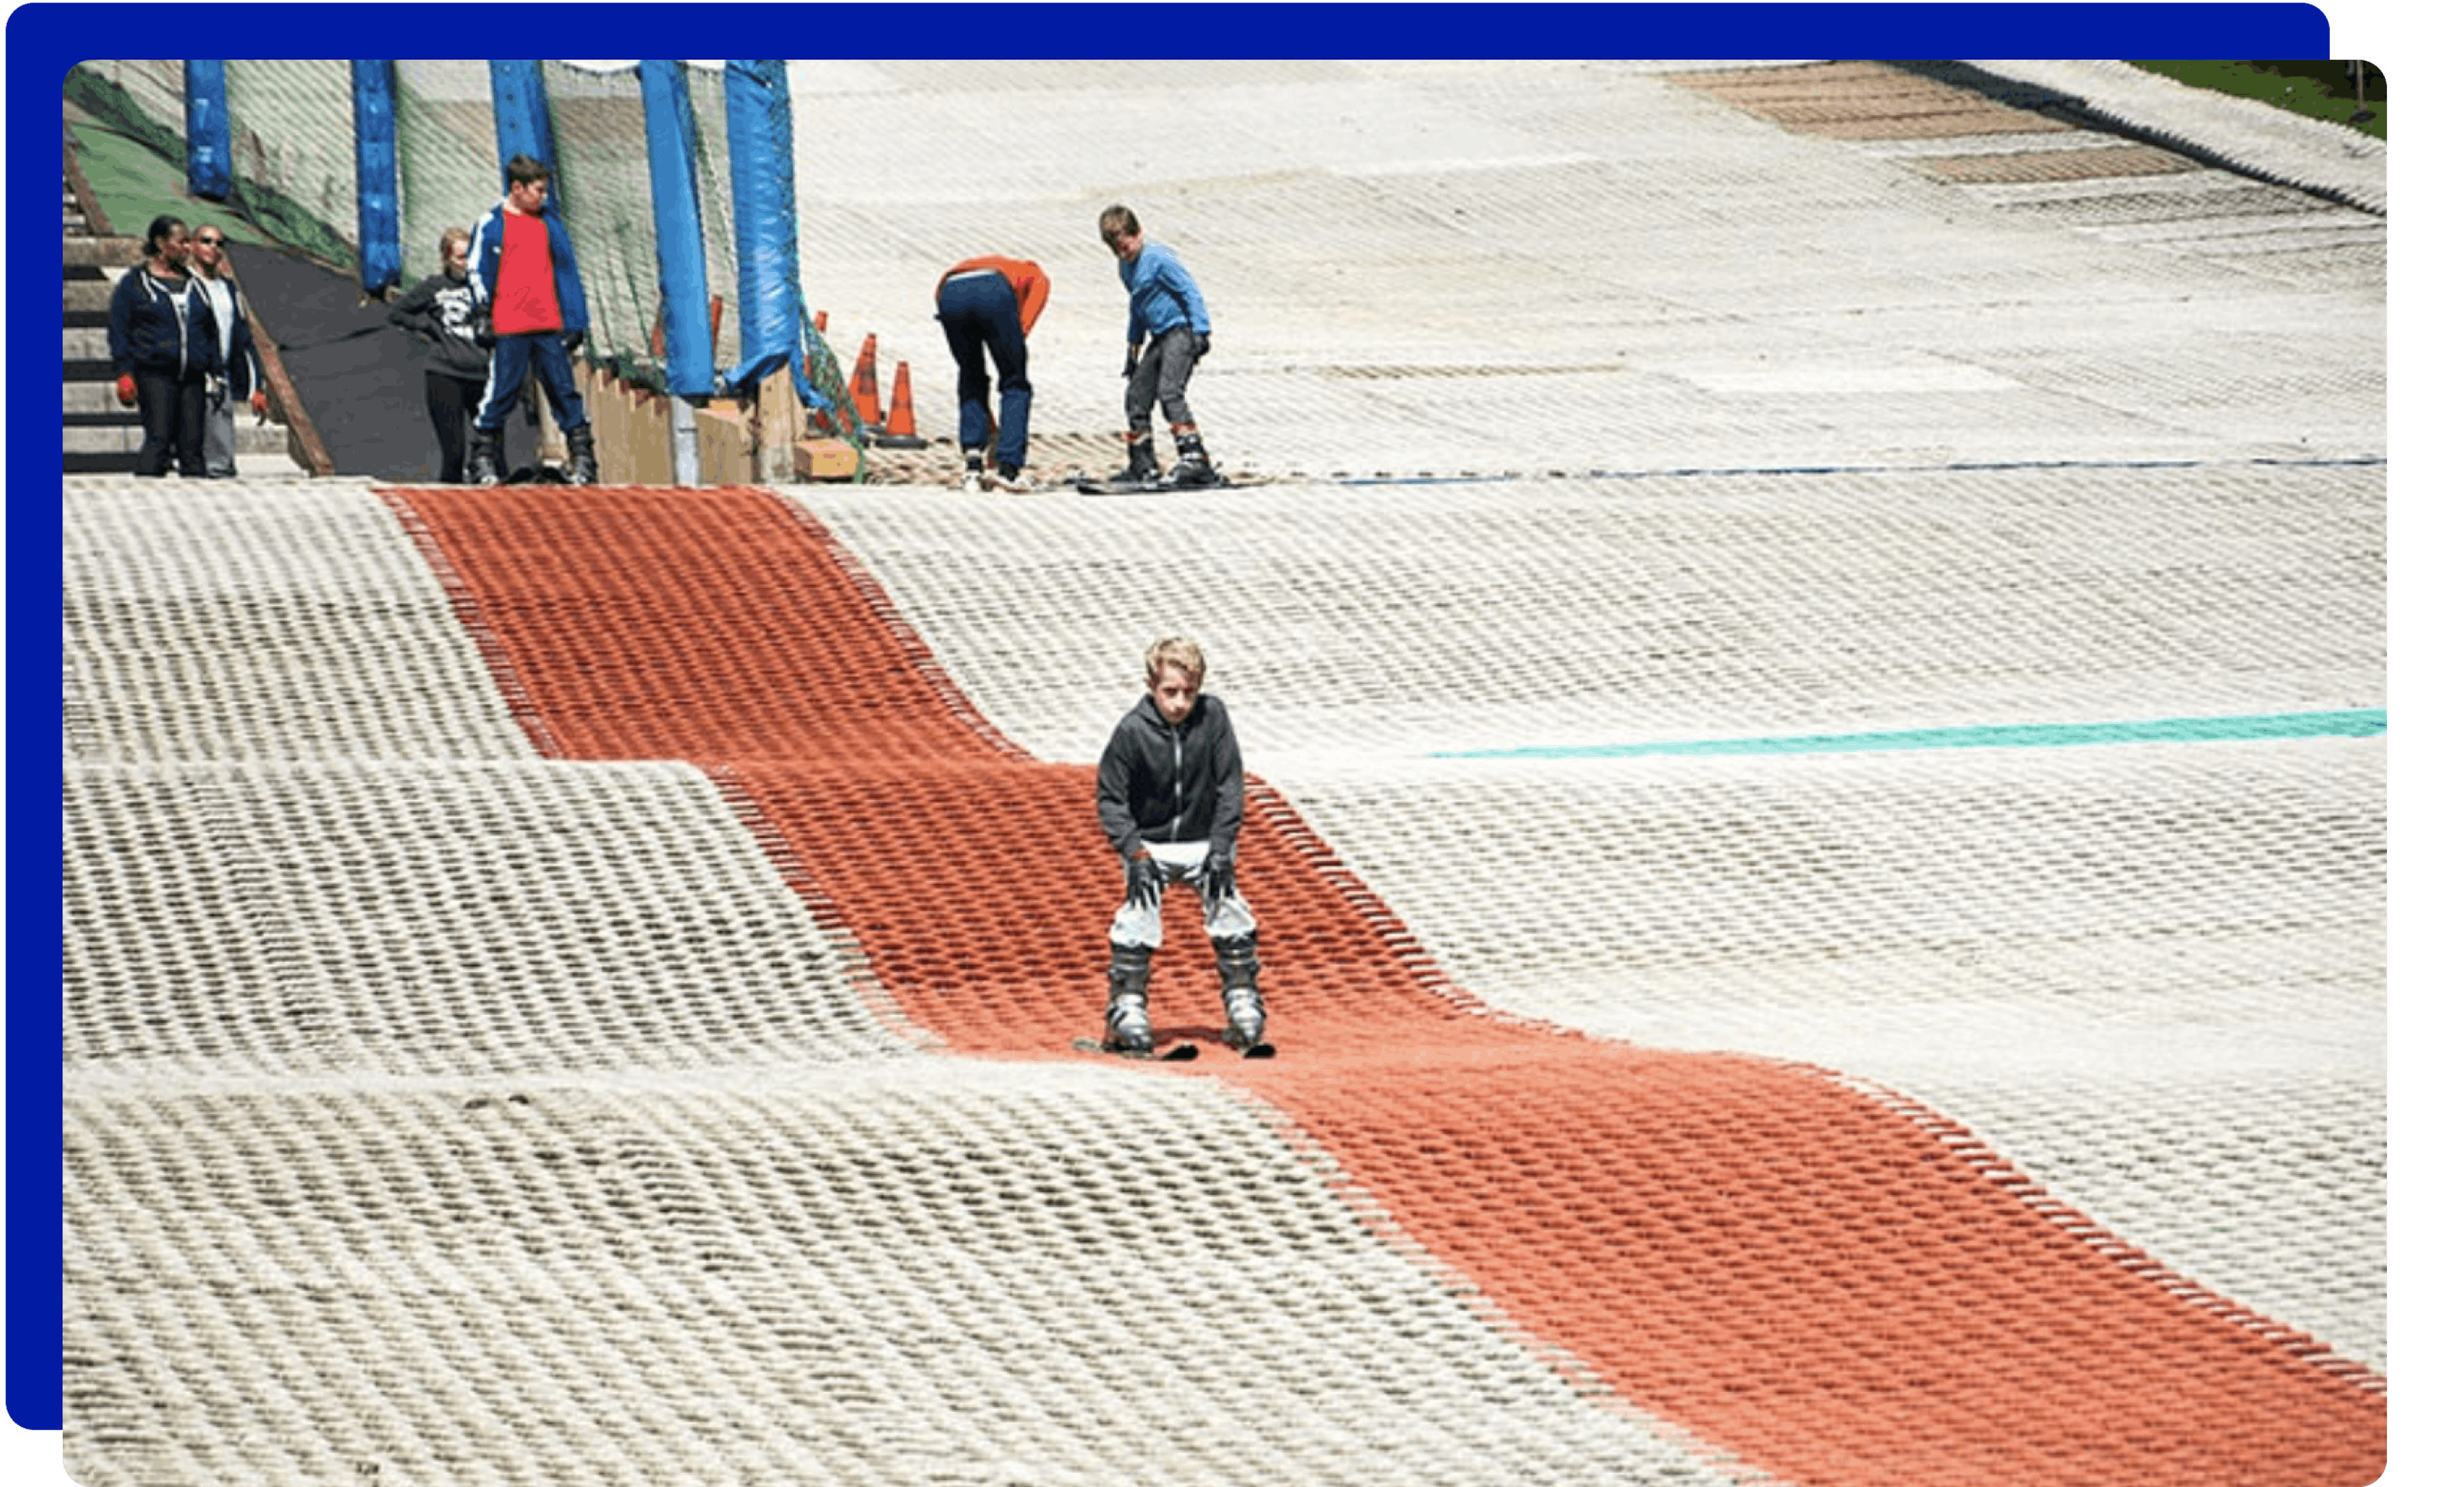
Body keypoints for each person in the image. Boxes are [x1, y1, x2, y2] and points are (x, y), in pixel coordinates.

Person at [1094, 636, 1265, 1053]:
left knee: (1230, 907)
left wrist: (1223, 846)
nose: (1180, 703)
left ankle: (1244, 1004)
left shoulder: (1213, 718)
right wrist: (1134, 851)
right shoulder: (1132, 731)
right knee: (1138, 912)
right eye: (1170, 692)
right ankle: (1127, 1008)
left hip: (1204, 840)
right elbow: (1111, 798)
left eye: (1189, 692)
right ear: (1153, 686)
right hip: (1151, 843)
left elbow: (1230, 785)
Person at [466, 155, 596, 485]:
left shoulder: (549, 224)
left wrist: (575, 321)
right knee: (502, 390)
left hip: (548, 323)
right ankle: (482, 457)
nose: (543, 197)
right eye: (537, 191)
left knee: (563, 389)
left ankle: (583, 458)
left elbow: (567, 272)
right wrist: (483, 311)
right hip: (510, 325)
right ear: (517, 188)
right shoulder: (493, 224)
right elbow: (478, 268)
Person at [1099, 204, 1218, 488]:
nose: (1124, 254)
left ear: (1138, 233)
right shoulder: (1125, 267)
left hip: (1182, 331)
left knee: (1169, 392)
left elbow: (1189, 291)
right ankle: (1142, 464)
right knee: (1137, 396)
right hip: (1159, 337)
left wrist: (1201, 331)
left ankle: (1195, 460)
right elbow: (1138, 306)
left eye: (1126, 246)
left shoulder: (1158, 258)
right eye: (1117, 250)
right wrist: (1133, 346)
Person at [106, 215, 218, 479]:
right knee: (159, 442)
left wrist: (215, 367)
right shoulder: (135, 284)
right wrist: (124, 371)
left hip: (192, 376)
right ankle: (145, 501)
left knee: (193, 448)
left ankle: (197, 505)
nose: (188, 248)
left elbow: (209, 330)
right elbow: (119, 329)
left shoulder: (195, 285)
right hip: (155, 374)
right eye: (182, 242)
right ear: (161, 244)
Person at [933, 255, 1048, 493]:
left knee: (971, 375)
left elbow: (939, 295)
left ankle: (973, 466)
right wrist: (1013, 342)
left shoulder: (1001, 266)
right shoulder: (1036, 275)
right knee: (1015, 383)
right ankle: (1008, 469)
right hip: (994, 293)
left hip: (950, 292)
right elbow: (1024, 325)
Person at [388, 226, 493, 482]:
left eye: (471, 255)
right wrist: (427, 326)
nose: (467, 263)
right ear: (448, 259)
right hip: (446, 373)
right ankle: (451, 502)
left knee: (491, 453)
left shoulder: (487, 286)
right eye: (460, 257)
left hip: (483, 374)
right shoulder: (435, 287)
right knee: (454, 452)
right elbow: (398, 313)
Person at [183, 225, 268, 479]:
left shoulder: (229, 290)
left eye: (219, 243)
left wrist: (257, 387)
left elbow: (244, 339)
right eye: (207, 241)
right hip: (190, 380)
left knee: (220, 461)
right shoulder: (183, 285)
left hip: (221, 382)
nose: (214, 248)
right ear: (192, 246)